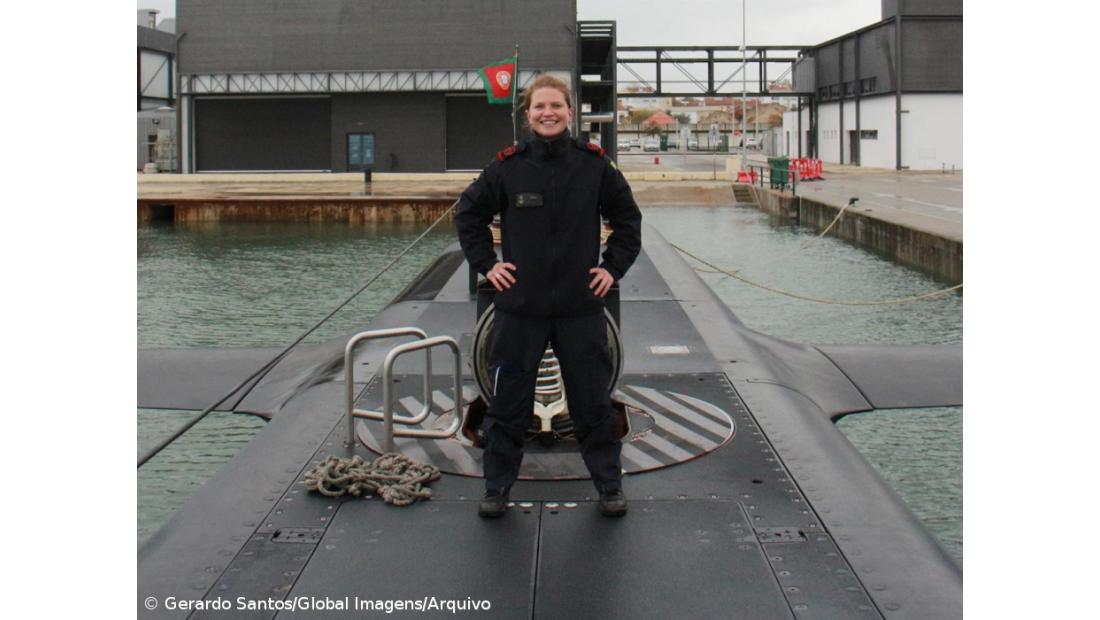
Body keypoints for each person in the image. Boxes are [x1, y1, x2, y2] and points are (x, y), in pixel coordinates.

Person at [454, 74, 642, 518]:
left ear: (570, 112)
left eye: (556, 105)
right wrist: (489, 265)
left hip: (580, 309)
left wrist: (611, 268)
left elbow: (628, 222)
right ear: (527, 114)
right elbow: (469, 216)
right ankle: (497, 488)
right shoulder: (507, 167)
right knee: (507, 407)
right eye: (539, 106)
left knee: (593, 405)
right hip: (521, 310)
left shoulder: (595, 165)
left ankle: (609, 487)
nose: (548, 113)